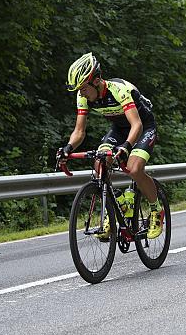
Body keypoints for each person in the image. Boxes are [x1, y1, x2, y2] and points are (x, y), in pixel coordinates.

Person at [57, 52, 163, 239]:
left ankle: (156, 211)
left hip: (143, 126)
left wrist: (126, 147)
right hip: (119, 129)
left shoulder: (118, 90)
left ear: (96, 80)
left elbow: (136, 125)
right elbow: (79, 131)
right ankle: (116, 207)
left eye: (83, 88)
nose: (81, 93)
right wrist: (68, 148)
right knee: (99, 162)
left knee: (134, 168)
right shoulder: (83, 96)